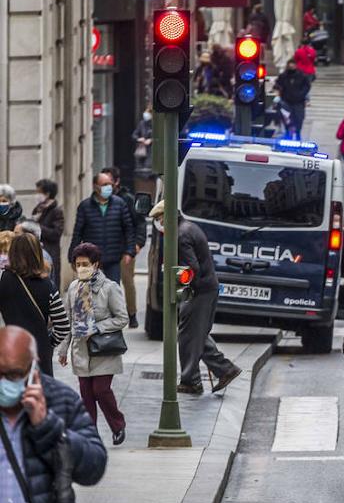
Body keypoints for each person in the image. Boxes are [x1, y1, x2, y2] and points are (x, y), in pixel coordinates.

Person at [0, 325, 108, 503]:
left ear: (33, 369)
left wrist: (47, 426)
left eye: (12, 374)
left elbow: (94, 467)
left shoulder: (61, 400)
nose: (3, 382)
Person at [149, 201, 243, 396]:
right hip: (206, 288)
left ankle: (194, 380)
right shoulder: (188, 227)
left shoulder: (180, 234)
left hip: (199, 291)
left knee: (188, 335)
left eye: (159, 219)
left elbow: (192, 268)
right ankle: (221, 370)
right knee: (195, 333)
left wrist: (176, 278)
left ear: (167, 217)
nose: (158, 224)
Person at [58, 242, 127, 445]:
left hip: (103, 349)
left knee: (101, 390)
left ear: (96, 264)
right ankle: (90, 434)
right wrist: (63, 350)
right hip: (81, 352)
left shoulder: (109, 288)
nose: (81, 268)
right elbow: (69, 321)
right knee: (86, 396)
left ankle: (117, 425)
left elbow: (122, 318)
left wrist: (97, 327)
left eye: (85, 263)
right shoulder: (73, 288)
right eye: (78, 264)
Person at [1, 234, 69, 375]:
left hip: (10, 349)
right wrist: (47, 342)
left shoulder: (4, 280)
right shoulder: (48, 285)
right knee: (39, 392)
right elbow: (63, 325)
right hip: (39, 353)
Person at [68, 171, 137, 284]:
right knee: (92, 292)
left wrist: (129, 252)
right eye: (104, 184)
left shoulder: (119, 204)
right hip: (92, 259)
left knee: (112, 291)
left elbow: (128, 229)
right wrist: (72, 256)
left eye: (110, 184)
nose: (108, 187)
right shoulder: (85, 206)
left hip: (114, 258)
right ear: (95, 186)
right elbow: (78, 232)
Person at [102, 166, 144, 329]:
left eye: (109, 181)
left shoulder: (127, 199)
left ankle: (131, 313)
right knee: (108, 283)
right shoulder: (100, 200)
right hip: (106, 248)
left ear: (116, 182)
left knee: (127, 281)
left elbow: (139, 222)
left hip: (125, 248)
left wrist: (137, 243)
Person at [31, 179, 65, 289]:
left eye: (39, 192)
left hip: (50, 252)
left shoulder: (56, 211)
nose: (37, 195)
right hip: (36, 251)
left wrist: (38, 227)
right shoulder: (37, 210)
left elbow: (56, 233)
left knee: (52, 283)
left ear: (47, 193)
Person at [274, 59, 312, 140]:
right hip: (286, 101)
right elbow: (277, 85)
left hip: (298, 102)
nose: (291, 67)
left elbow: (307, 86)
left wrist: (302, 94)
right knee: (287, 119)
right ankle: (288, 133)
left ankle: (297, 134)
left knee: (299, 119)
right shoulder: (283, 76)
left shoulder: (302, 76)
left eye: (293, 65)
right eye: (290, 65)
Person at [132, 107, 154, 172]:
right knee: (141, 169)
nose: (146, 115)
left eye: (148, 113)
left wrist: (151, 140)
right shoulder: (142, 123)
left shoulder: (156, 124)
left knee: (149, 167)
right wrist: (139, 139)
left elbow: (161, 136)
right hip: (142, 150)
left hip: (153, 150)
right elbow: (134, 135)